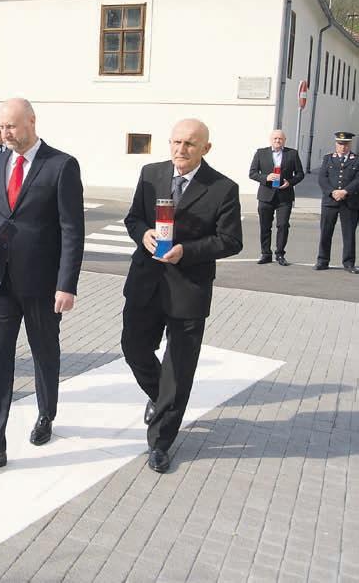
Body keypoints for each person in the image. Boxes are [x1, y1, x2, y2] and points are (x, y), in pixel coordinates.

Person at [0, 98, 85, 477]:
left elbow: (71, 230)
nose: (5, 133)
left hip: (42, 284)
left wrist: (66, 284)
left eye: (12, 126)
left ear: (31, 121)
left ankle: (47, 412)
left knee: (44, 352)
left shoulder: (61, 165)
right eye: (1, 127)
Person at [120, 119, 242, 474]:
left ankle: (160, 442)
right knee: (134, 348)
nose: (180, 149)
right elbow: (133, 219)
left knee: (179, 369)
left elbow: (231, 240)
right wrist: (143, 234)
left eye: (189, 143)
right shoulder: (151, 173)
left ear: (206, 148)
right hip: (145, 283)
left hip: (189, 288)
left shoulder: (222, 188)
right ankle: (162, 401)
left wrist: (186, 251)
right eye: (175, 142)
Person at [247, 129, 304, 266]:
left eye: (280, 139)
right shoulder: (261, 153)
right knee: (265, 226)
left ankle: (280, 254)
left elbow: (300, 174)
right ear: (271, 140)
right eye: (275, 138)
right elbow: (252, 173)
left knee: (283, 225)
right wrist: (266, 177)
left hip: (284, 197)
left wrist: (290, 182)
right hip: (266, 196)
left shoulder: (292, 154)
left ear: (284, 140)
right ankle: (265, 253)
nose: (278, 141)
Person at [315, 131, 359, 273]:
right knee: (326, 232)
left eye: (345, 144)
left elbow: (357, 180)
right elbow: (322, 178)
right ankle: (322, 260)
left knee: (349, 233)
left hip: (349, 201)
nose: (343, 147)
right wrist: (332, 192)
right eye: (340, 144)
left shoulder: (356, 160)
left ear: (350, 144)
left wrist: (345, 191)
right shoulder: (328, 159)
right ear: (336, 144)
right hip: (330, 201)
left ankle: (349, 263)